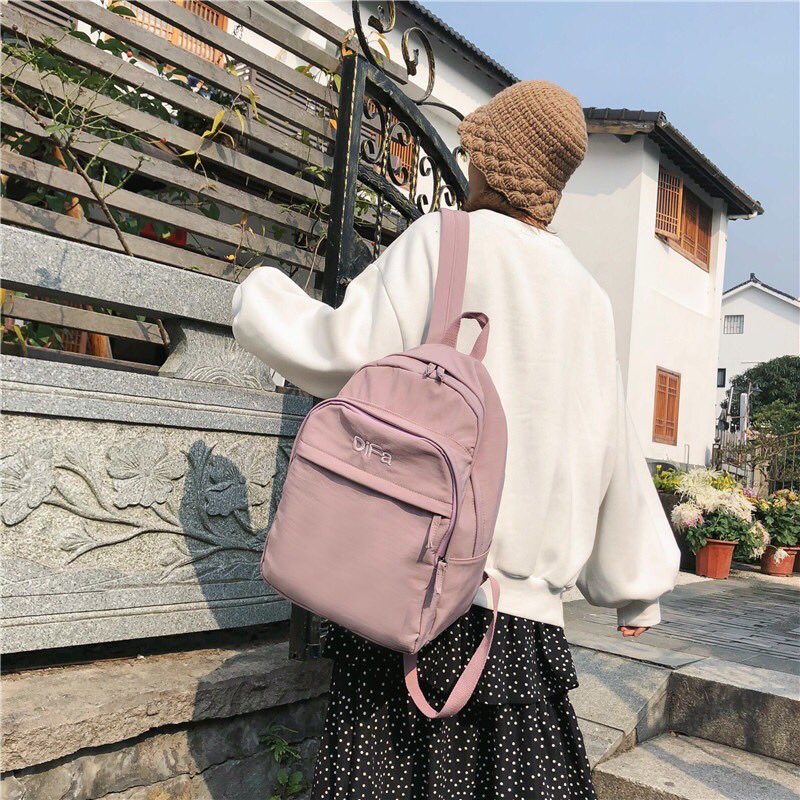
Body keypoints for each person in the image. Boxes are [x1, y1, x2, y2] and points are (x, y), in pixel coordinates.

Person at [232, 80, 680, 800]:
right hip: (522, 632)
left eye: (475, 151)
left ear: (491, 163)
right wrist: (637, 590)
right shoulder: (588, 298)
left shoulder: (446, 240)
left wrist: (258, 299)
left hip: (412, 591)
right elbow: (613, 451)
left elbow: (346, 350)